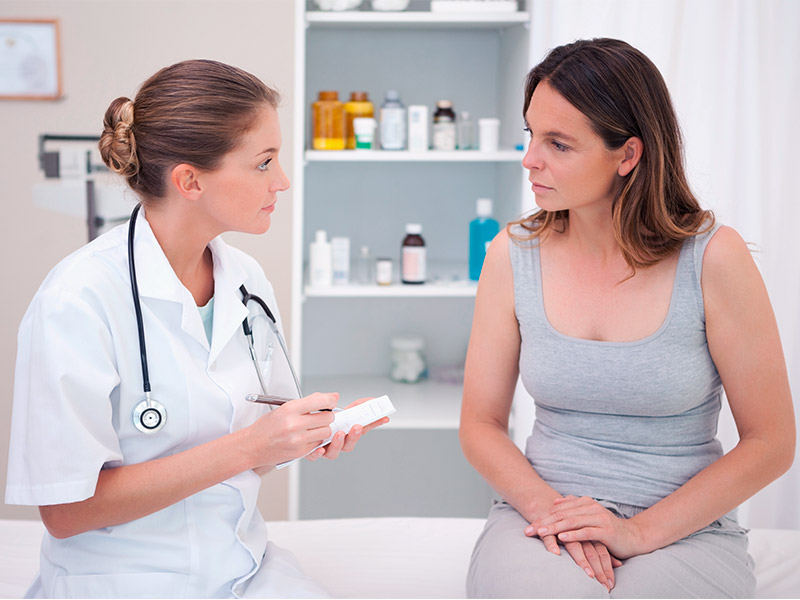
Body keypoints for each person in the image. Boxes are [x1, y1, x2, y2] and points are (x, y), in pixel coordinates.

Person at [5, 59, 387, 599]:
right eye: (263, 163)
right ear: (189, 180)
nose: (281, 181)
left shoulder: (245, 281)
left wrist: (301, 436)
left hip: (243, 566)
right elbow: (66, 511)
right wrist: (252, 448)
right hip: (123, 582)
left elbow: (259, 436)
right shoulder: (78, 299)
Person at [460, 38, 795, 598]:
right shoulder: (510, 254)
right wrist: (559, 515)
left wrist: (634, 533)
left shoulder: (713, 257)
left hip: (682, 527)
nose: (529, 160)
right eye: (530, 136)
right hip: (544, 514)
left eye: (558, 144)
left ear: (628, 155)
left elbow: (772, 442)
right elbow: (479, 425)